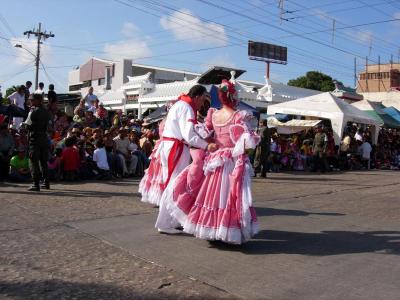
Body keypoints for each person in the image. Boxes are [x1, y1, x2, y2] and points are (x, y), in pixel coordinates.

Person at [168, 80, 260, 244]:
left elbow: (203, 133)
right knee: (229, 196)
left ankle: (213, 228)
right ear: (233, 96)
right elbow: (247, 143)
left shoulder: (213, 114)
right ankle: (228, 229)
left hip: (215, 159)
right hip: (231, 160)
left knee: (213, 195)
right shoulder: (239, 115)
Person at [153, 85, 217, 234]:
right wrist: (206, 145)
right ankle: (164, 223)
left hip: (173, 146)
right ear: (197, 97)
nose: (202, 104)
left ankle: (171, 220)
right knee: (174, 185)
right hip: (177, 147)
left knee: (174, 184)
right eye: (202, 99)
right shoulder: (186, 107)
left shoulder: (180, 104)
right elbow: (188, 134)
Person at [25, 93, 51, 191]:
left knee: (33, 162)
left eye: (32, 100)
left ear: (37, 101)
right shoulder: (46, 111)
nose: (30, 101)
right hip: (44, 138)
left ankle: (36, 184)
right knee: (43, 162)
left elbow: (30, 125)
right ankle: (46, 182)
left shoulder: (34, 111)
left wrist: (25, 126)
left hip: (34, 138)